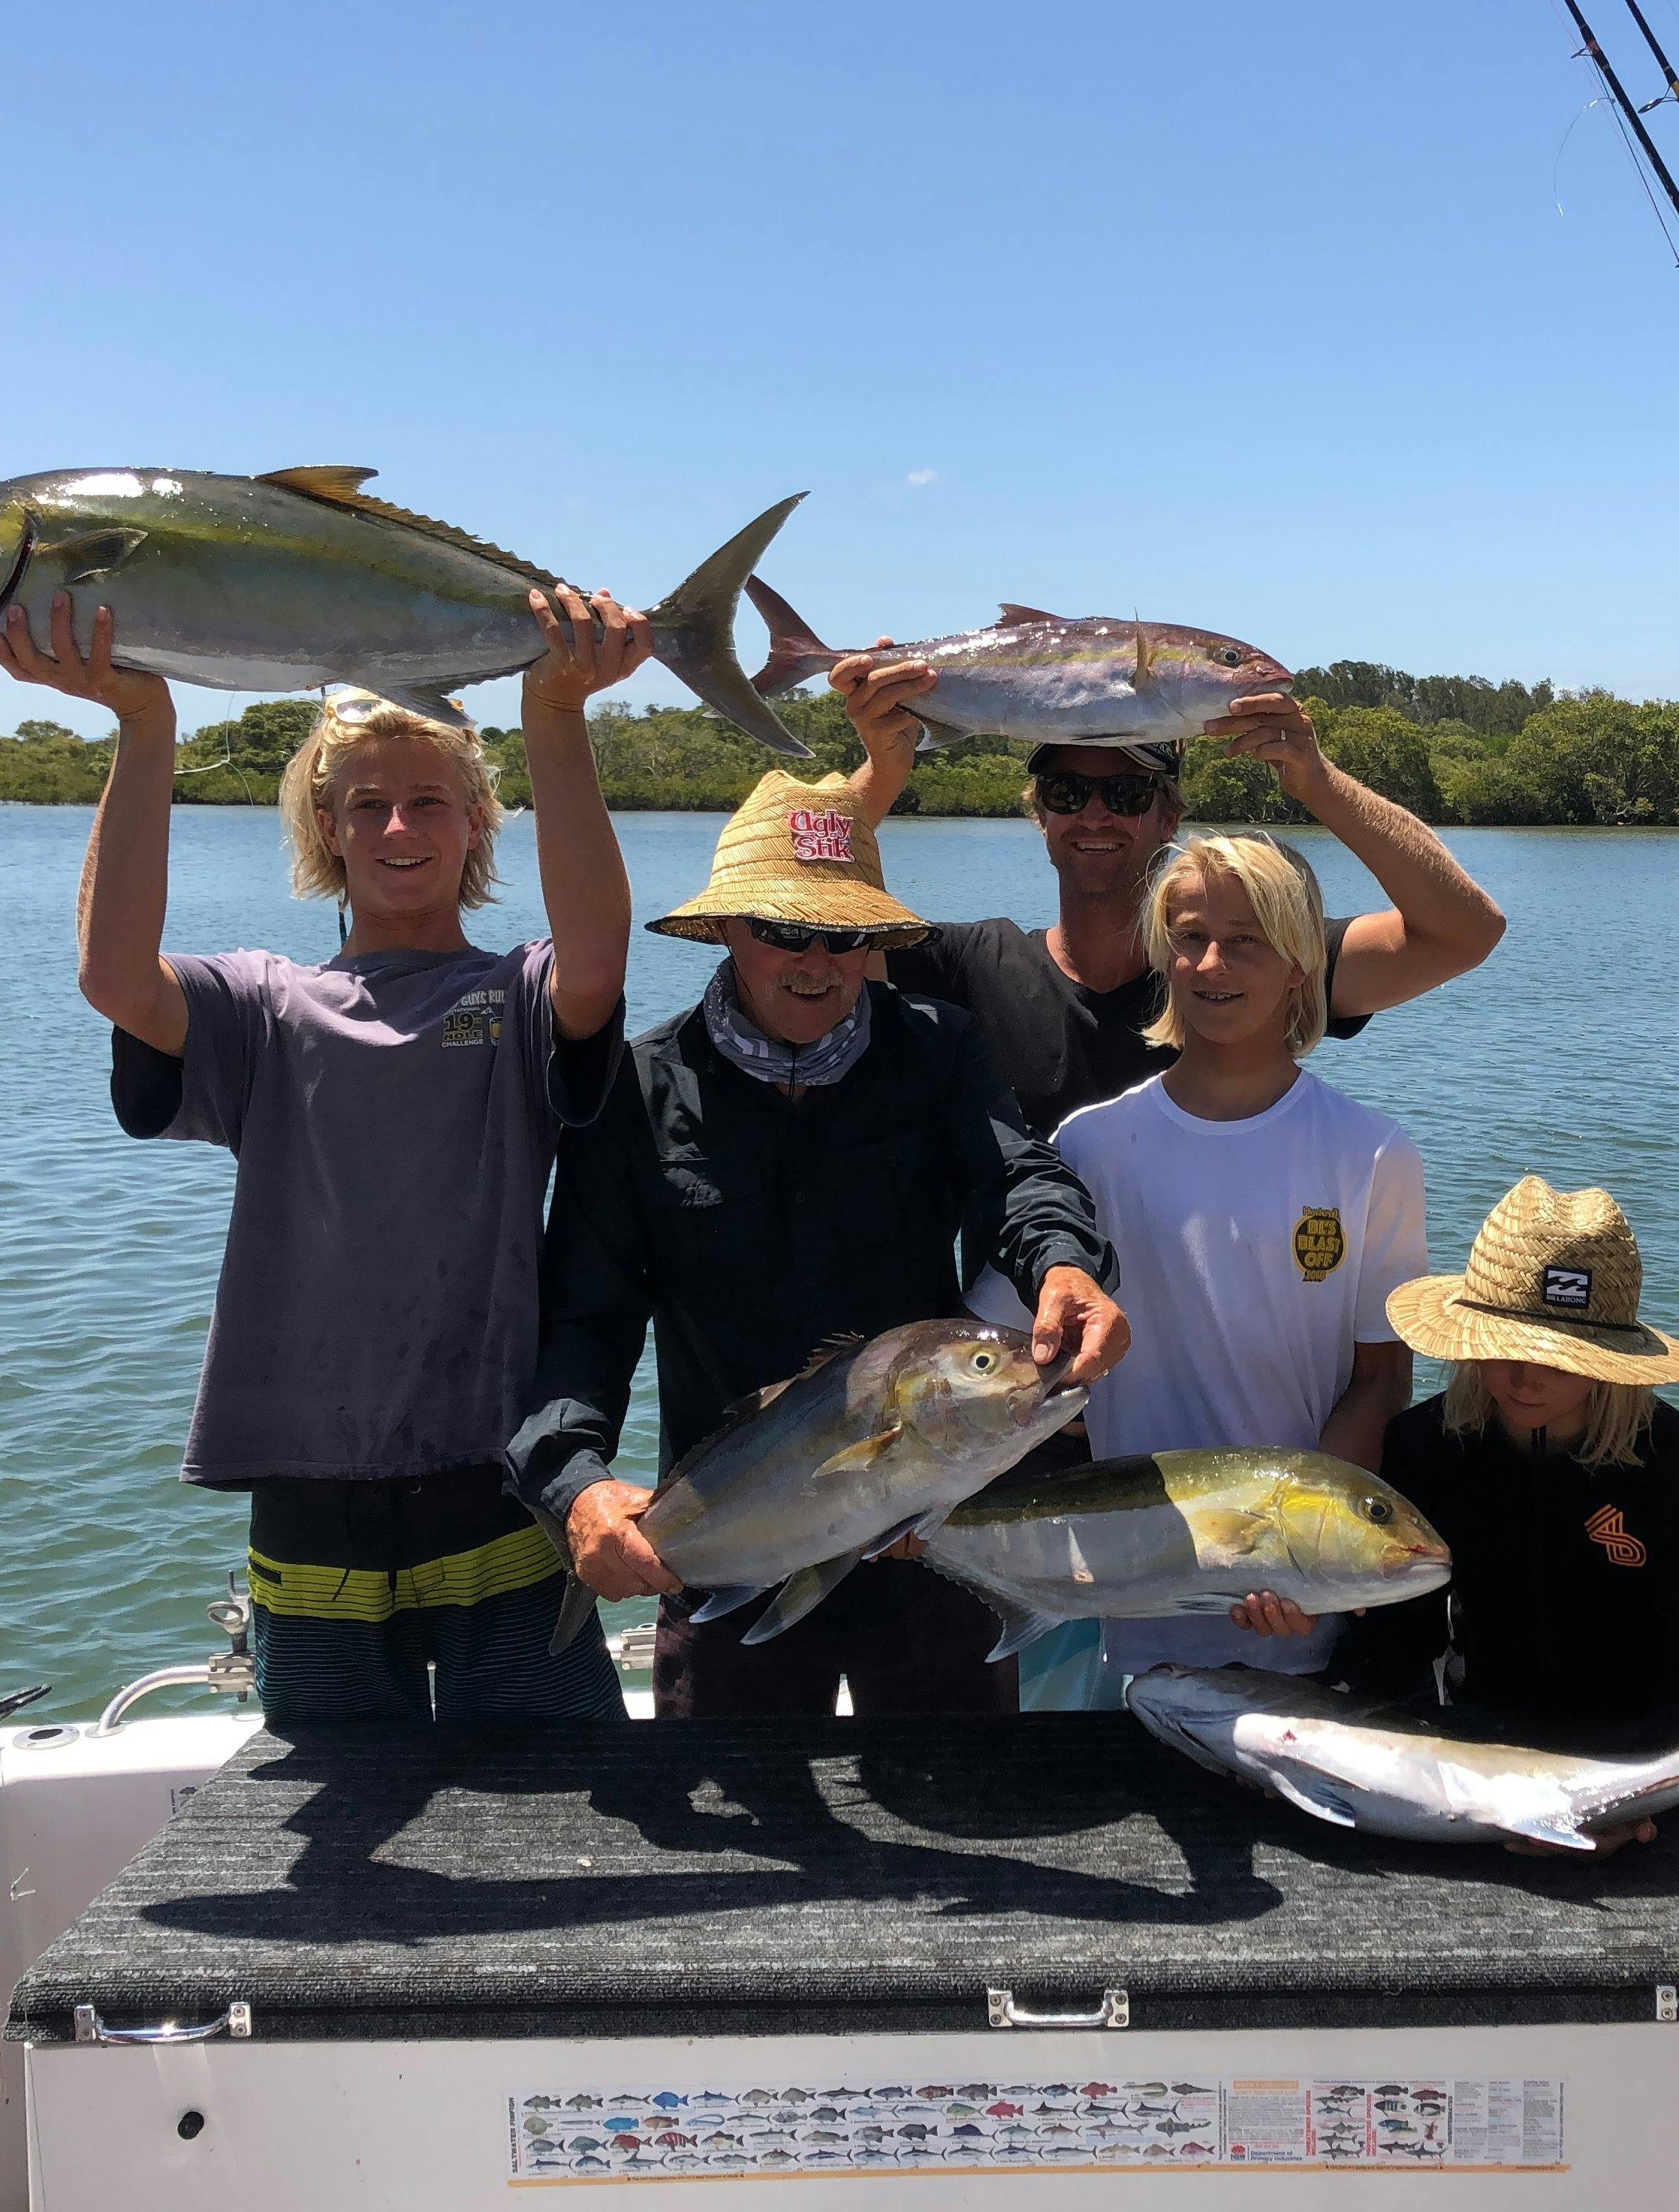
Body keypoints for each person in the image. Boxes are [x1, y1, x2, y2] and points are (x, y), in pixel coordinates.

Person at [0, 581, 648, 1726]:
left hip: (497, 1485)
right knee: (343, 1829)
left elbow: (596, 962)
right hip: (308, 1499)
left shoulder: (520, 993)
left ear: (478, 827)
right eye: (367, 805)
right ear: (325, 831)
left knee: (558, 1814)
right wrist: (146, 729)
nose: (400, 829)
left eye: (432, 803)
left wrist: (557, 711)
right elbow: (115, 979)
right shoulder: (261, 1004)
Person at [510, 770, 1129, 1718]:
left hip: (933, 1547)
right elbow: (583, 1325)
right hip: (727, 1547)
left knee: (970, 1813)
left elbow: (1018, 1178)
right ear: (725, 928)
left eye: (843, 937)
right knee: (738, 1840)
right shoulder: (636, 1093)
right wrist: (577, 1487)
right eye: (782, 931)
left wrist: (1063, 1262)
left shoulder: (941, 1050)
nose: (816, 961)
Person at [971, 831, 1427, 1688]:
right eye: (1189, 936)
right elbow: (999, 1355)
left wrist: (1305, 1560)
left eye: (1247, 940)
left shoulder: (1372, 1153)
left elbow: (1380, 1380)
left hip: (1296, 1611)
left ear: (1301, 962)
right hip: (1112, 1602)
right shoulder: (1093, 1144)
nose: (1213, 962)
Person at [833, 655, 1505, 1138]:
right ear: (1041, 814)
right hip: (1023, 1329)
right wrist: (885, 770)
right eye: (1067, 793)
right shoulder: (968, 968)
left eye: (1126, 795)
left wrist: (1320, 783)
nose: (1095, 815)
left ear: (1168, 815)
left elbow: (1464, 933)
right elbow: (802, 918)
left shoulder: (1245, 966)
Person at [1330, 1176, 1679, 1858]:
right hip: (1477, 1748)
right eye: (1506, 1347)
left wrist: (1630, 1805)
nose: (1527, 1379)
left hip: (1636, 1754)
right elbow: (1394, 1640)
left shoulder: (1676, 1464)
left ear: (1610, 1360)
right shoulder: (1424, 1445)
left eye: (1557, 1357)